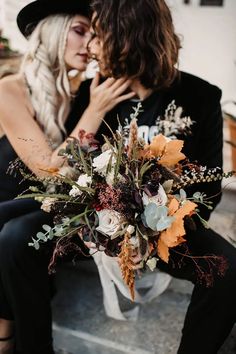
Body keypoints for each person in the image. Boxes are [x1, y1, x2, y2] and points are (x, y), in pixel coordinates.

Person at [82, 0, 236, 353]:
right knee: (16, 236)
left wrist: (150, 234)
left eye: (98, 34)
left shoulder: (200, 96)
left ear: (126, 36)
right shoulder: (95, 93)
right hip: (93, 227)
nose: (91, 46)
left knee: (229, 271)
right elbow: (75, 172)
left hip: (167, 229)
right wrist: (107, 230)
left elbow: (207, 193)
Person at [0, 0, 136, 353]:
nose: (89, 45)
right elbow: (47, 168)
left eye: (94, 35)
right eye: (79, 31)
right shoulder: (8, 89)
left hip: (35, 213)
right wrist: (95, 111)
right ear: (53, 34)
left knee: (13, 237)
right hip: (9, 205)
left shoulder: (77, 94)